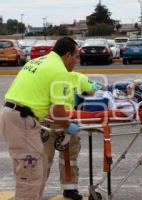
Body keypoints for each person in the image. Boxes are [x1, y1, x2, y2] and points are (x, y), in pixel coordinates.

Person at [0, 37, 81, 200]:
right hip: (22, 120)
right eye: (76, 56)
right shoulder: (59, 71)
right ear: (67, 55)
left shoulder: (38, 61)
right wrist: (68, 126)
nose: (77, 61)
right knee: (30, 176)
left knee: (38, 169)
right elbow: (58, 111)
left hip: (14, 115)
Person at [44, 71, 96, 200]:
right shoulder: (78, 77)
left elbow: (91, 91)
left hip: (57, 120)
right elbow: (92, 92)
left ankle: (69, 188)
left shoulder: (48, 74)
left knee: (66, 157)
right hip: (53, 121)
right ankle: (37, 189)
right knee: (45, 159)